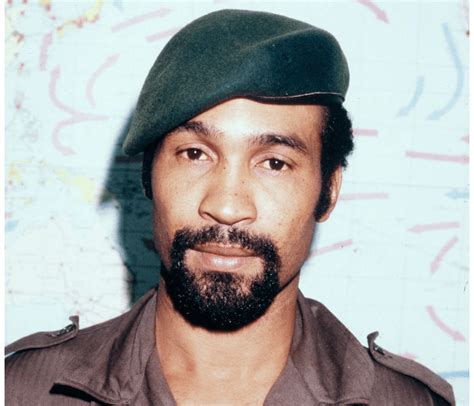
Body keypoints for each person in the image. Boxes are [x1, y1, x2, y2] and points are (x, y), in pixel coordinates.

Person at [5, 9, 455, 405]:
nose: (226, 206)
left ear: (329, 190)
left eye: (274, 163)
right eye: (195, 154)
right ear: (147, 175)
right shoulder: (22, 391)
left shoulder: (408, 402)